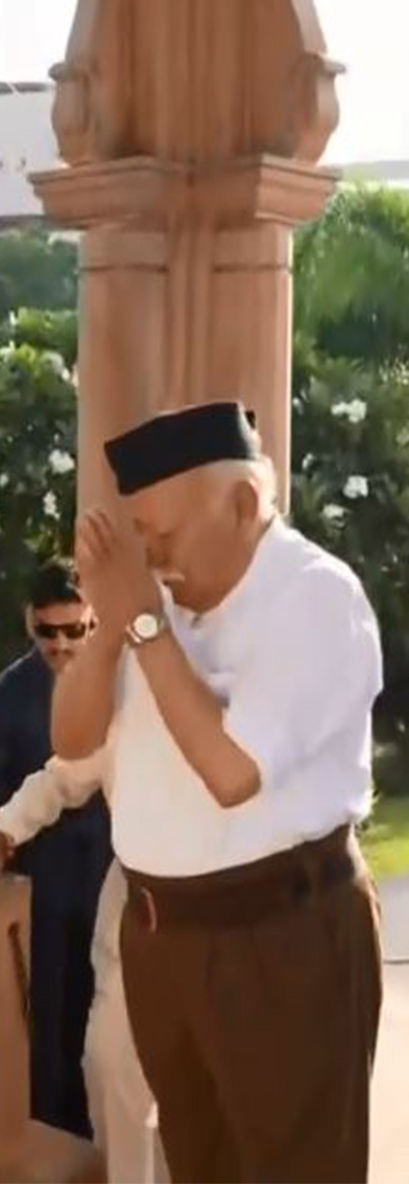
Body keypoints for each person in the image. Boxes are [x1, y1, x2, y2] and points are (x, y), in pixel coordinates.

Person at [52, 401, 384, 1183]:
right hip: (164, 940)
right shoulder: (147, 602)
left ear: (243, 505)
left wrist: (143, 628)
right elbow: (71, 738)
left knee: (298, 1169)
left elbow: (231, 772)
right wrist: (109, 630)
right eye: (139, 539)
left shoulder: (314, 597)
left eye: (164, 537)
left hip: (280, 937)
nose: (152, 559)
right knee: (202, 1166)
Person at [0, 750, 167, 1184]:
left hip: (228, 926)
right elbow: (63, 776)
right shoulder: (126, 691)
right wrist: (1, 831)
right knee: (107, 1070)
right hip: (136, 914)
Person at [0, 560, 110, 1138]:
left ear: (94, 620)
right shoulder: (7, 697)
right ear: (29, 624)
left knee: (98, 1028)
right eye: (49, 632)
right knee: (35, 1028)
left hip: (107, 880)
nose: (62, 645)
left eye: (75, 630)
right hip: (34, 885)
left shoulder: (119, 682)